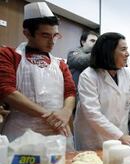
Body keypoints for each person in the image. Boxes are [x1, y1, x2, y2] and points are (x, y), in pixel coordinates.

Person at [0, 2, 76, 150]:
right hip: (21, 132)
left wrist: (66, 112)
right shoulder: (8, 55)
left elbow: (70, 91)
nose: (52, 41)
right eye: (45, 35)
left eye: (55, 36)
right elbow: (7, 90)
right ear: (27, 33)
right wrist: (50, 116)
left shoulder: (60, 63)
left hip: (58, 132)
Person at [73, 32, 130, 150]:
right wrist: (120, 136)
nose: (128, 53)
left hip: (120, 134)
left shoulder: (126, 73)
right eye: (123, 49)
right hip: (93, 137)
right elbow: (92, 113)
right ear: (109, 52)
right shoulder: (88, 76)